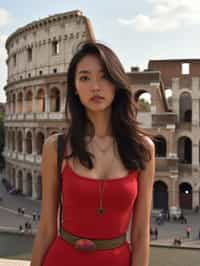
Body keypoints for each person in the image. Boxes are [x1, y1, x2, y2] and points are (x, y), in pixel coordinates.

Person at [31, 41, 155, 266]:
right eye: (85, 78)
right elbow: (47, 228)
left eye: (104, 76)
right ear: (75, 89)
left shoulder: (143, 148)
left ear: (117, 84)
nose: (95, 87)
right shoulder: (55, 147)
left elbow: (140, 233)